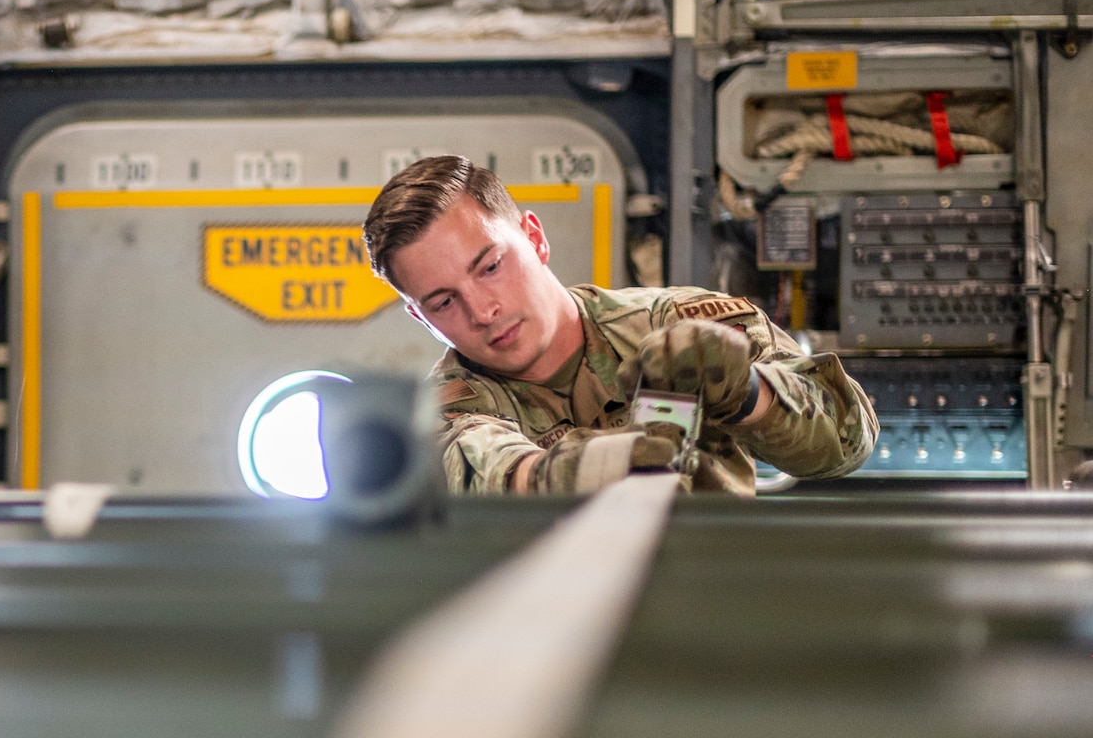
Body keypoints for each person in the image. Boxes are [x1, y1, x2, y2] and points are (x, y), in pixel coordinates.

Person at [362, 154, 878, 495]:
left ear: (535, 238)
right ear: (420, 317)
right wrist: (579, 472)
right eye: (444, 302)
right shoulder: (436, 414)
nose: (482, 311)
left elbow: (848, 442)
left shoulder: (683, 324)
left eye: (491, 267)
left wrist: (746, 392)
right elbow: (484, 468)